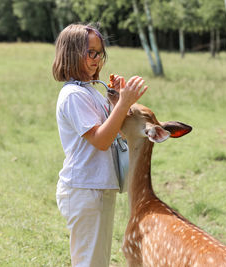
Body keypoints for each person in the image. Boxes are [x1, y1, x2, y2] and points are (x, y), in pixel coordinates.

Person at [52, 23, 148, 267]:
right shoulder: (73, 95)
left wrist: (115, 100)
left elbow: (114, 133)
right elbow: (102, 141)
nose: (96, 60)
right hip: (85, 188)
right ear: (71, 53)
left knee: (97, 261)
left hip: (98, 185)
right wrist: (125, 103)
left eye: (100, 53)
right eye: (90, 52)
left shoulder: (91, 91)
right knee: (89, 263)